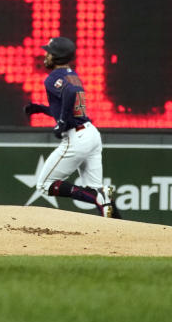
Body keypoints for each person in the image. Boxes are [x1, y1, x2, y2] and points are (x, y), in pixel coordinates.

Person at [24, 37, 119, 218]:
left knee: (45, 184)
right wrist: (40, 109)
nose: (46, 55)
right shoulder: (72, 75)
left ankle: (98, 197)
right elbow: (68, 103)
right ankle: (120, 227)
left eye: (49, 52)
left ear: (57, 57)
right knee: (98, 191)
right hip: (90, 133)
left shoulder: (53, 77)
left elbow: (70, 92)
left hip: (77, 138)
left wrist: (61, 123)